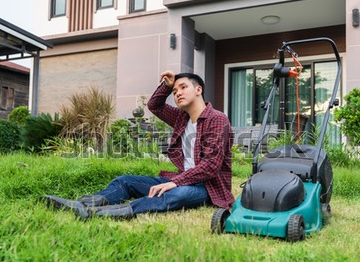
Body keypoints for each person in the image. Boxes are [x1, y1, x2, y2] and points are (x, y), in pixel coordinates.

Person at [39, 71, 235, 220]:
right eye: (175, 91)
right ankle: (82, 204)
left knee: (178, 194)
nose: (178, 93)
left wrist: (175, 182)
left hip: (207, 187)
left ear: (198, 90)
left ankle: (104, 213)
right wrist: (166, 87)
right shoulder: (180, 118)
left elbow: (210, 165)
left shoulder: (217, 119)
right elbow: (154, 106)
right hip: (181, 179)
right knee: (125, 181)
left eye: (183, 87)